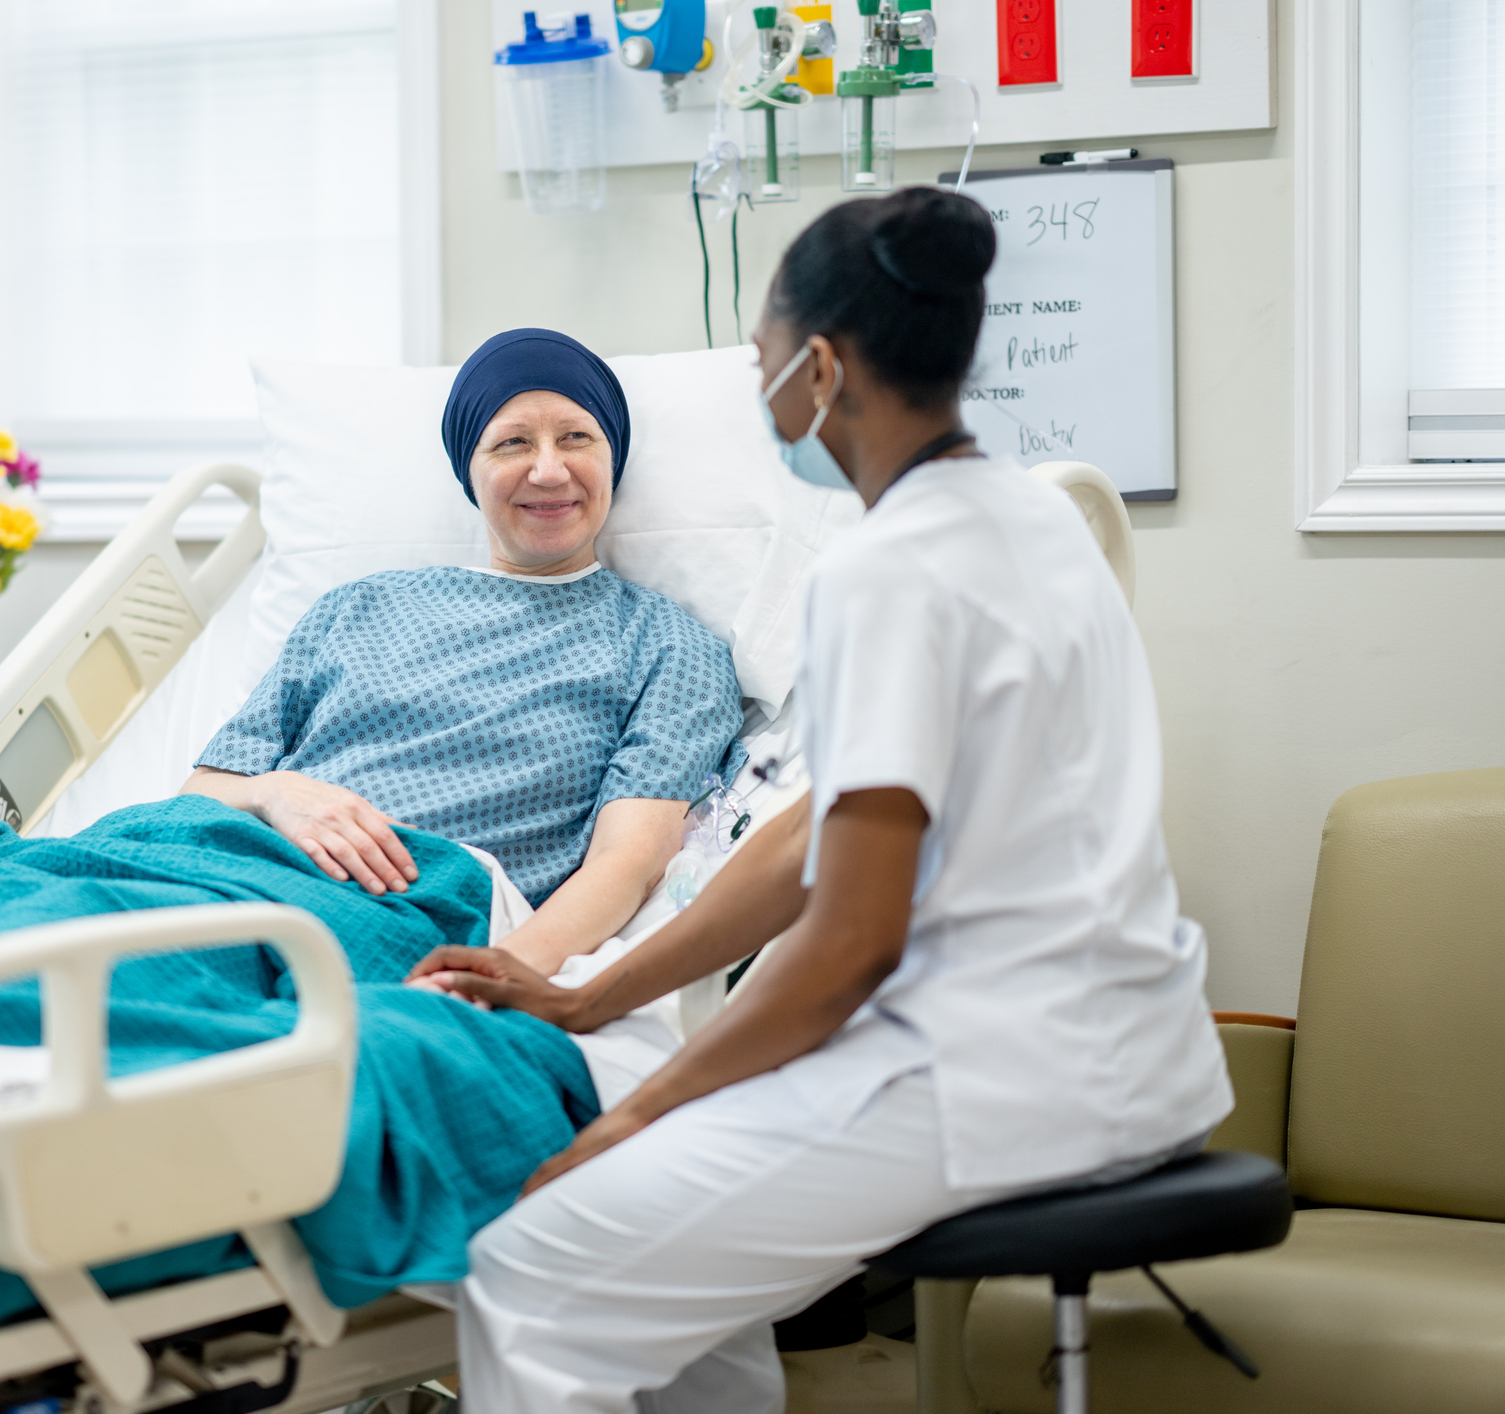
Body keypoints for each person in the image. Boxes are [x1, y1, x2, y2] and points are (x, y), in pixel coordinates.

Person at [406, 188, 1234, 1413]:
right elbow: (811, 836)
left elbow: (847, 937)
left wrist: (644, 1111)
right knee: (659, 1282)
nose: (761, 397)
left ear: (824, 368)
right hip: (1140, 1051)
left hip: (996, 1081)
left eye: (760, 363)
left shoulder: (886, 568)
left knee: (529, 1266)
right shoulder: (1033, 520)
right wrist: (590, 997)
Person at [185, 327, 747, 978]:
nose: (547, 469)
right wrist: (279, 793)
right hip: (221, 865)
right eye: (511, 442)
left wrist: (482, 978)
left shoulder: (667, 647)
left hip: (403, 908)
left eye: (575, 437)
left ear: (612, 457)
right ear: (468, 471)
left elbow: (630, 862)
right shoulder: (353, 609)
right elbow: (202, 793)